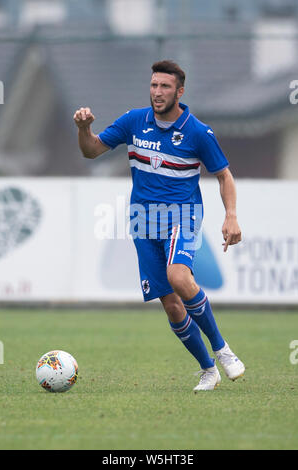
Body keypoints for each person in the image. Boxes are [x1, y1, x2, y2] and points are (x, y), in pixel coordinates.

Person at [73, 60, 245, 392]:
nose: (157, 92)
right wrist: (83, 128)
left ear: (180, 92)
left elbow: (224, 175)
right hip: (142, 221)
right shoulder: (133, 121)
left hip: (182, 215)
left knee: (179, 276)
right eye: (153, 85)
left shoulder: (197, 131)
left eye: (165, 87)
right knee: (170, 303)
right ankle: (208, 370)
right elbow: (91, 151)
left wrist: (231, 215)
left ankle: (223, 350)